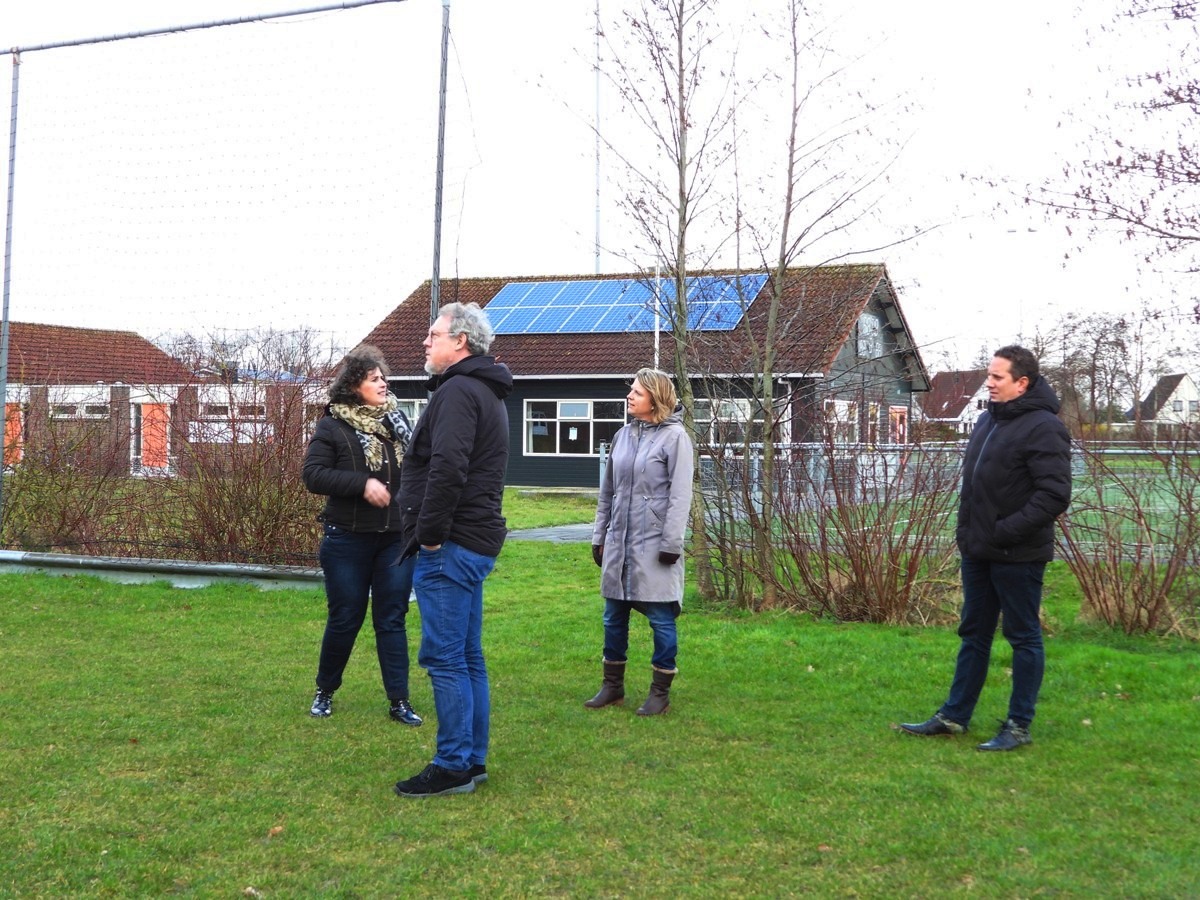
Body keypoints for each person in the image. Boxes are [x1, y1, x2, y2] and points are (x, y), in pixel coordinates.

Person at [900, 345, 1071, 751]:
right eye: (989, 375)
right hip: (978, 550)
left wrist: (1004, 531)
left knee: (1023, 636)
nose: (989, 383)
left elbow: (1054, 495)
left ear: (1022, 383)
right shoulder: (986, 420)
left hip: (1019, 554)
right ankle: (954, 716)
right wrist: (970, 534)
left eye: (997, 377)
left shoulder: (1045, 427)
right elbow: (975, 486)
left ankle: (1018, 726)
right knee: (974, 634)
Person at [393, 302, 512, 798]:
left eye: (433, 335)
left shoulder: (461, 391)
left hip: (453, 543)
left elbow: (448, 467)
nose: (425, 342)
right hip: (470, 540)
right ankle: (472, 760)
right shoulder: (481, 389)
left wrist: (430, 534)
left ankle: (454, 764)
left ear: (460, 341)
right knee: (465, 655)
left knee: (445, 658)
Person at [301, 345, 423, 727]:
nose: (383, 383)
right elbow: (313, 475)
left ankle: (399, 701)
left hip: (395, 540)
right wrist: (362, 483)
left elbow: (419, 468)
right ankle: (325, 690)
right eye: (374, 379)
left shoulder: (398, 422)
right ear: (354, 386)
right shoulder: (333, 426)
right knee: (345, 618)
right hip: (347, 540)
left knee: (392, 619)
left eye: (384, 378)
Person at [585, 367, 695, 717]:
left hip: (655, 545)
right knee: (612, 617)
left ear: (656, 399)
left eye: (637, 392)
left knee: (661, 618)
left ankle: (660, 692)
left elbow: (680, 496)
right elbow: (607, 492)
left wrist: (671, 544)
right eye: (631, 390)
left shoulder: (675, 438)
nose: (629, 396)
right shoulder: (622, 436)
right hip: (619, 542)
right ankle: (612, 687)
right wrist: (599, 536)